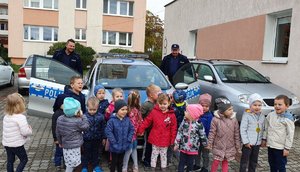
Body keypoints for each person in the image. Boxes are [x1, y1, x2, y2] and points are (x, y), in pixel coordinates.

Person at [138, 93, 177, 171]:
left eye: (165, 104)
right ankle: (153, 168)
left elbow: (173, 128)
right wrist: (140, 129)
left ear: (169, 103)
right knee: (154, 155)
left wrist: (173, 140)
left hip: (165, 140)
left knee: (163, 155)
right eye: (160, 104)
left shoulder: (172, 115)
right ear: (158, 103)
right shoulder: (154, 112)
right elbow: (147, 121)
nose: (162, 105)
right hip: (155, 138)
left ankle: (163, 168)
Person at [56, 97, 90, 172]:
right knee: (77, 164)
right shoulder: (77, 121)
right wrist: (83, 116)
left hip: (65, 146)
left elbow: (58, 133)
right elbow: (86, 126)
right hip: (75, 147)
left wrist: (60, 142)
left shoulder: (60, 119)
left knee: (69, 163)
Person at [207, 98, 241, 172]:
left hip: (229, 146)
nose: (232, 111)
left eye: (232, 109)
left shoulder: (234, 120)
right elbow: (212, 132)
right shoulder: (215, 120)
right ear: (222, 111)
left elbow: (236, 134)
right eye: (229, 109)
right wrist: (209, 143)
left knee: (225, 162)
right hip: (218, 146)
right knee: (216, 162)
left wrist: (238, 147)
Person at [263, 95, 295, 172]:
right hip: (271, 145)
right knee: (272, 163)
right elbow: (266, 127)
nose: (277, 106)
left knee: (281, 166)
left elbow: (290, 135)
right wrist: (264, 138)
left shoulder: (288, 119)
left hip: (280, 148)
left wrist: (287, 148)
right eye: (275, 104)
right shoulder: (271, 115)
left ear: (287, 106)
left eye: (280, 104)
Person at [2, 93, 32, 172]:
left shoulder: (6, 116)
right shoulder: (20, 117)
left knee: (10, 161)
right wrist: (29, 129)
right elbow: (25, 132)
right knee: (24, 159)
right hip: (17, 144)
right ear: (19, 105)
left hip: (7, 143)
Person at [174, 104, 207, 172]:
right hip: (183, 147)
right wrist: (177, 143)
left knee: (190, 164)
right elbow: (180, 131)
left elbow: (203, 135)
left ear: (193, 114)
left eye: (187, 111)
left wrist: (205, 144)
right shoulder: (184, 121)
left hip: (193, 149)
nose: (185, 112)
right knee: (181, 163)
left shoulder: (199, 124)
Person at [105, 99, 135, 172]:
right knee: (114, 162)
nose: (125, 111)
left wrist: (128, 140)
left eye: (126, 109)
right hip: (114, 147)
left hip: (124, 145)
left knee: (120, 162)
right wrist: (114, 143)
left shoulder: (127, 119)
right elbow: (108, 132)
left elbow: (131, 129)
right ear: (117, 109)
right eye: (122, 109)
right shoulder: (112, 120)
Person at [239, 93, 265, 172]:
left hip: (257, 144)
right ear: (250, 106)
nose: (257, 107)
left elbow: (264, 129)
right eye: (255, 105)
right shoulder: (246, 116)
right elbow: (242, 129)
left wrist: (263, 139)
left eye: (259, 105)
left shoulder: (262, 116)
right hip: (248, 144)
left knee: (254, 161)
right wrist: (246, 142)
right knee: (244, 161)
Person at [82, 97, 106, 172]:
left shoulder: (101, 117)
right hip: (86, 139)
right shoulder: (84, 116)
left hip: (97, 139)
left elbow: (103, 128)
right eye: (90, 110)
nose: (92, 111)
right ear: (87, 107)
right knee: (86, 153)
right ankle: (84, 166)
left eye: (94, 110)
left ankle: (95, 165)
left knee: (96, 153)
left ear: (97, 108)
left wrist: (104, 138)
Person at [140, 84, 162, 168]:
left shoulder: (158, 103)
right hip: (149, 129)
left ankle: (154, 159)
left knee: (155, 145)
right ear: (151, 95)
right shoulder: (146, 105)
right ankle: (145, 159)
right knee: (148, 145)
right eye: (158, 93)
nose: (160, 94)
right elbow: (140, 116)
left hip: (157, 129)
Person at [122, 90, 143, 172]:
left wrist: (140, 129)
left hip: (135, 133)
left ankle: (135, 165)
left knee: (134, 149)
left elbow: (140, 120)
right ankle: (124, 167)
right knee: (129, 150)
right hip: (130, 134)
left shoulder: (136, 109)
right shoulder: (127, 110)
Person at [194, 93, 213, 172]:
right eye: (202, 106)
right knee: (197, 153)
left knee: (205, 155)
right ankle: (197, 165)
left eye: (207, 106)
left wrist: (209, 141)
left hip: (206, 139)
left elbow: (210, 129)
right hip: (197, 138)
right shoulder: (197, 114)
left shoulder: (210, 116)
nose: (204, 108)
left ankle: (205, 167)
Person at [168, 89, 187, 166]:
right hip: (181, 129)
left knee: (172, 145)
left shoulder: (173, 108)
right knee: (178, 145)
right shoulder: (185, 106)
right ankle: (181, 161)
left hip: (173, 130)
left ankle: (170, 160)